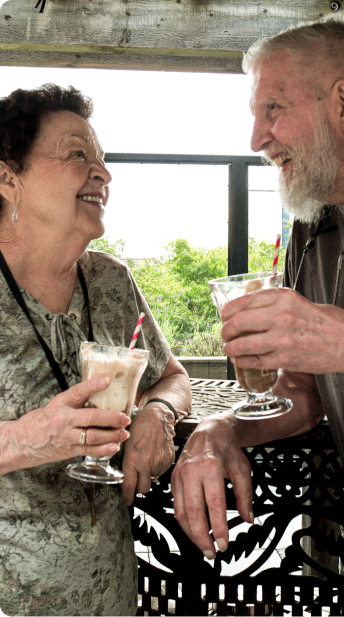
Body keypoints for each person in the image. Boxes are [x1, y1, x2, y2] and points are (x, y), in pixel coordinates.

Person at [171, 17, 344, 617]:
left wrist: (336, 337)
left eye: (272, 109)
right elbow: (302, 393)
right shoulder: (311, 226)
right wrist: (222, 430)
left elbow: (332, 348)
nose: (256, 139)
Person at [0, 84, 191, 616]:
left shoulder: (109, 280)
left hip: (107, 589)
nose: (103, 173)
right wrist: (25, 439)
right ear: (6, 177)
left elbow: (172, 375)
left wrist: (158, 411)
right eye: (77, 154)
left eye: (103, 160)